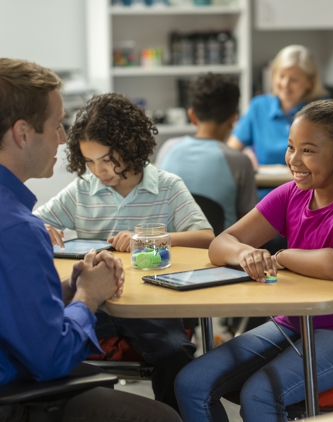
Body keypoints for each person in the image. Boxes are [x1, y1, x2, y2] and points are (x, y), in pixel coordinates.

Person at [174, 99, 333, 422]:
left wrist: (282, 256)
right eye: (290, 147)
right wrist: (246, 253)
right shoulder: (291, 195)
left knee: (260, 395)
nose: (293, 160)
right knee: (191, 383)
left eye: (308, 150)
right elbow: (220, 244)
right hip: (293, 323)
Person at [0, 58, 181, 422]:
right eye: (56, 125)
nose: (63, 137)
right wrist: (89, 296)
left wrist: (69, 287)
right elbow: (51, 358)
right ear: (22, 134)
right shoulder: (17, 228)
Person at [33, 92, 214, 412]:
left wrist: (149, 241)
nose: (98, 170)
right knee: (44, 343)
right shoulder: (82, 190)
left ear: (130, 145)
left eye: (106, 159)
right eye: (89, 161)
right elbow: (35, 221)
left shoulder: (167, 186)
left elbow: (206, 238)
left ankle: (172, 416)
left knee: (175, 353)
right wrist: (39, 228)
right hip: (98, 302)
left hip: (152, 303)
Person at [156, 72, 258, 230]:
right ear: (233, 119)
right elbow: (249, 225)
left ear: (192, 116)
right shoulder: (239, 162)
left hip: (171, 250)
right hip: (220, 252)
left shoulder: (168, 148)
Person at [227, 44, 327, 171]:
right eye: (281, 76)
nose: (285, 84)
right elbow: (231, 150)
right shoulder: (259, 106)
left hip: (308, 188)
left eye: (294, 80)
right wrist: (245, 155)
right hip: (265, 188)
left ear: (310, 82)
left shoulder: (323, 110)